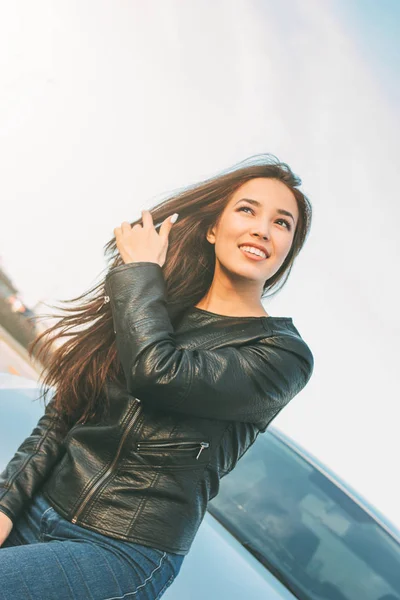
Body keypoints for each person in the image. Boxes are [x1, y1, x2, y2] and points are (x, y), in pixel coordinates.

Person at [0, 153, 315, 599]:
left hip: (118, 550)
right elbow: (65, 414)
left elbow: (158, 374)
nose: (262, 228)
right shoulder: (153, 308)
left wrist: (141, 275)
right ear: (212, 228)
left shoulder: (281, 355)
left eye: (282, 223)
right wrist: (8, 505)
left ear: (285, 252)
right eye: (247, 210)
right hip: (41, 506)